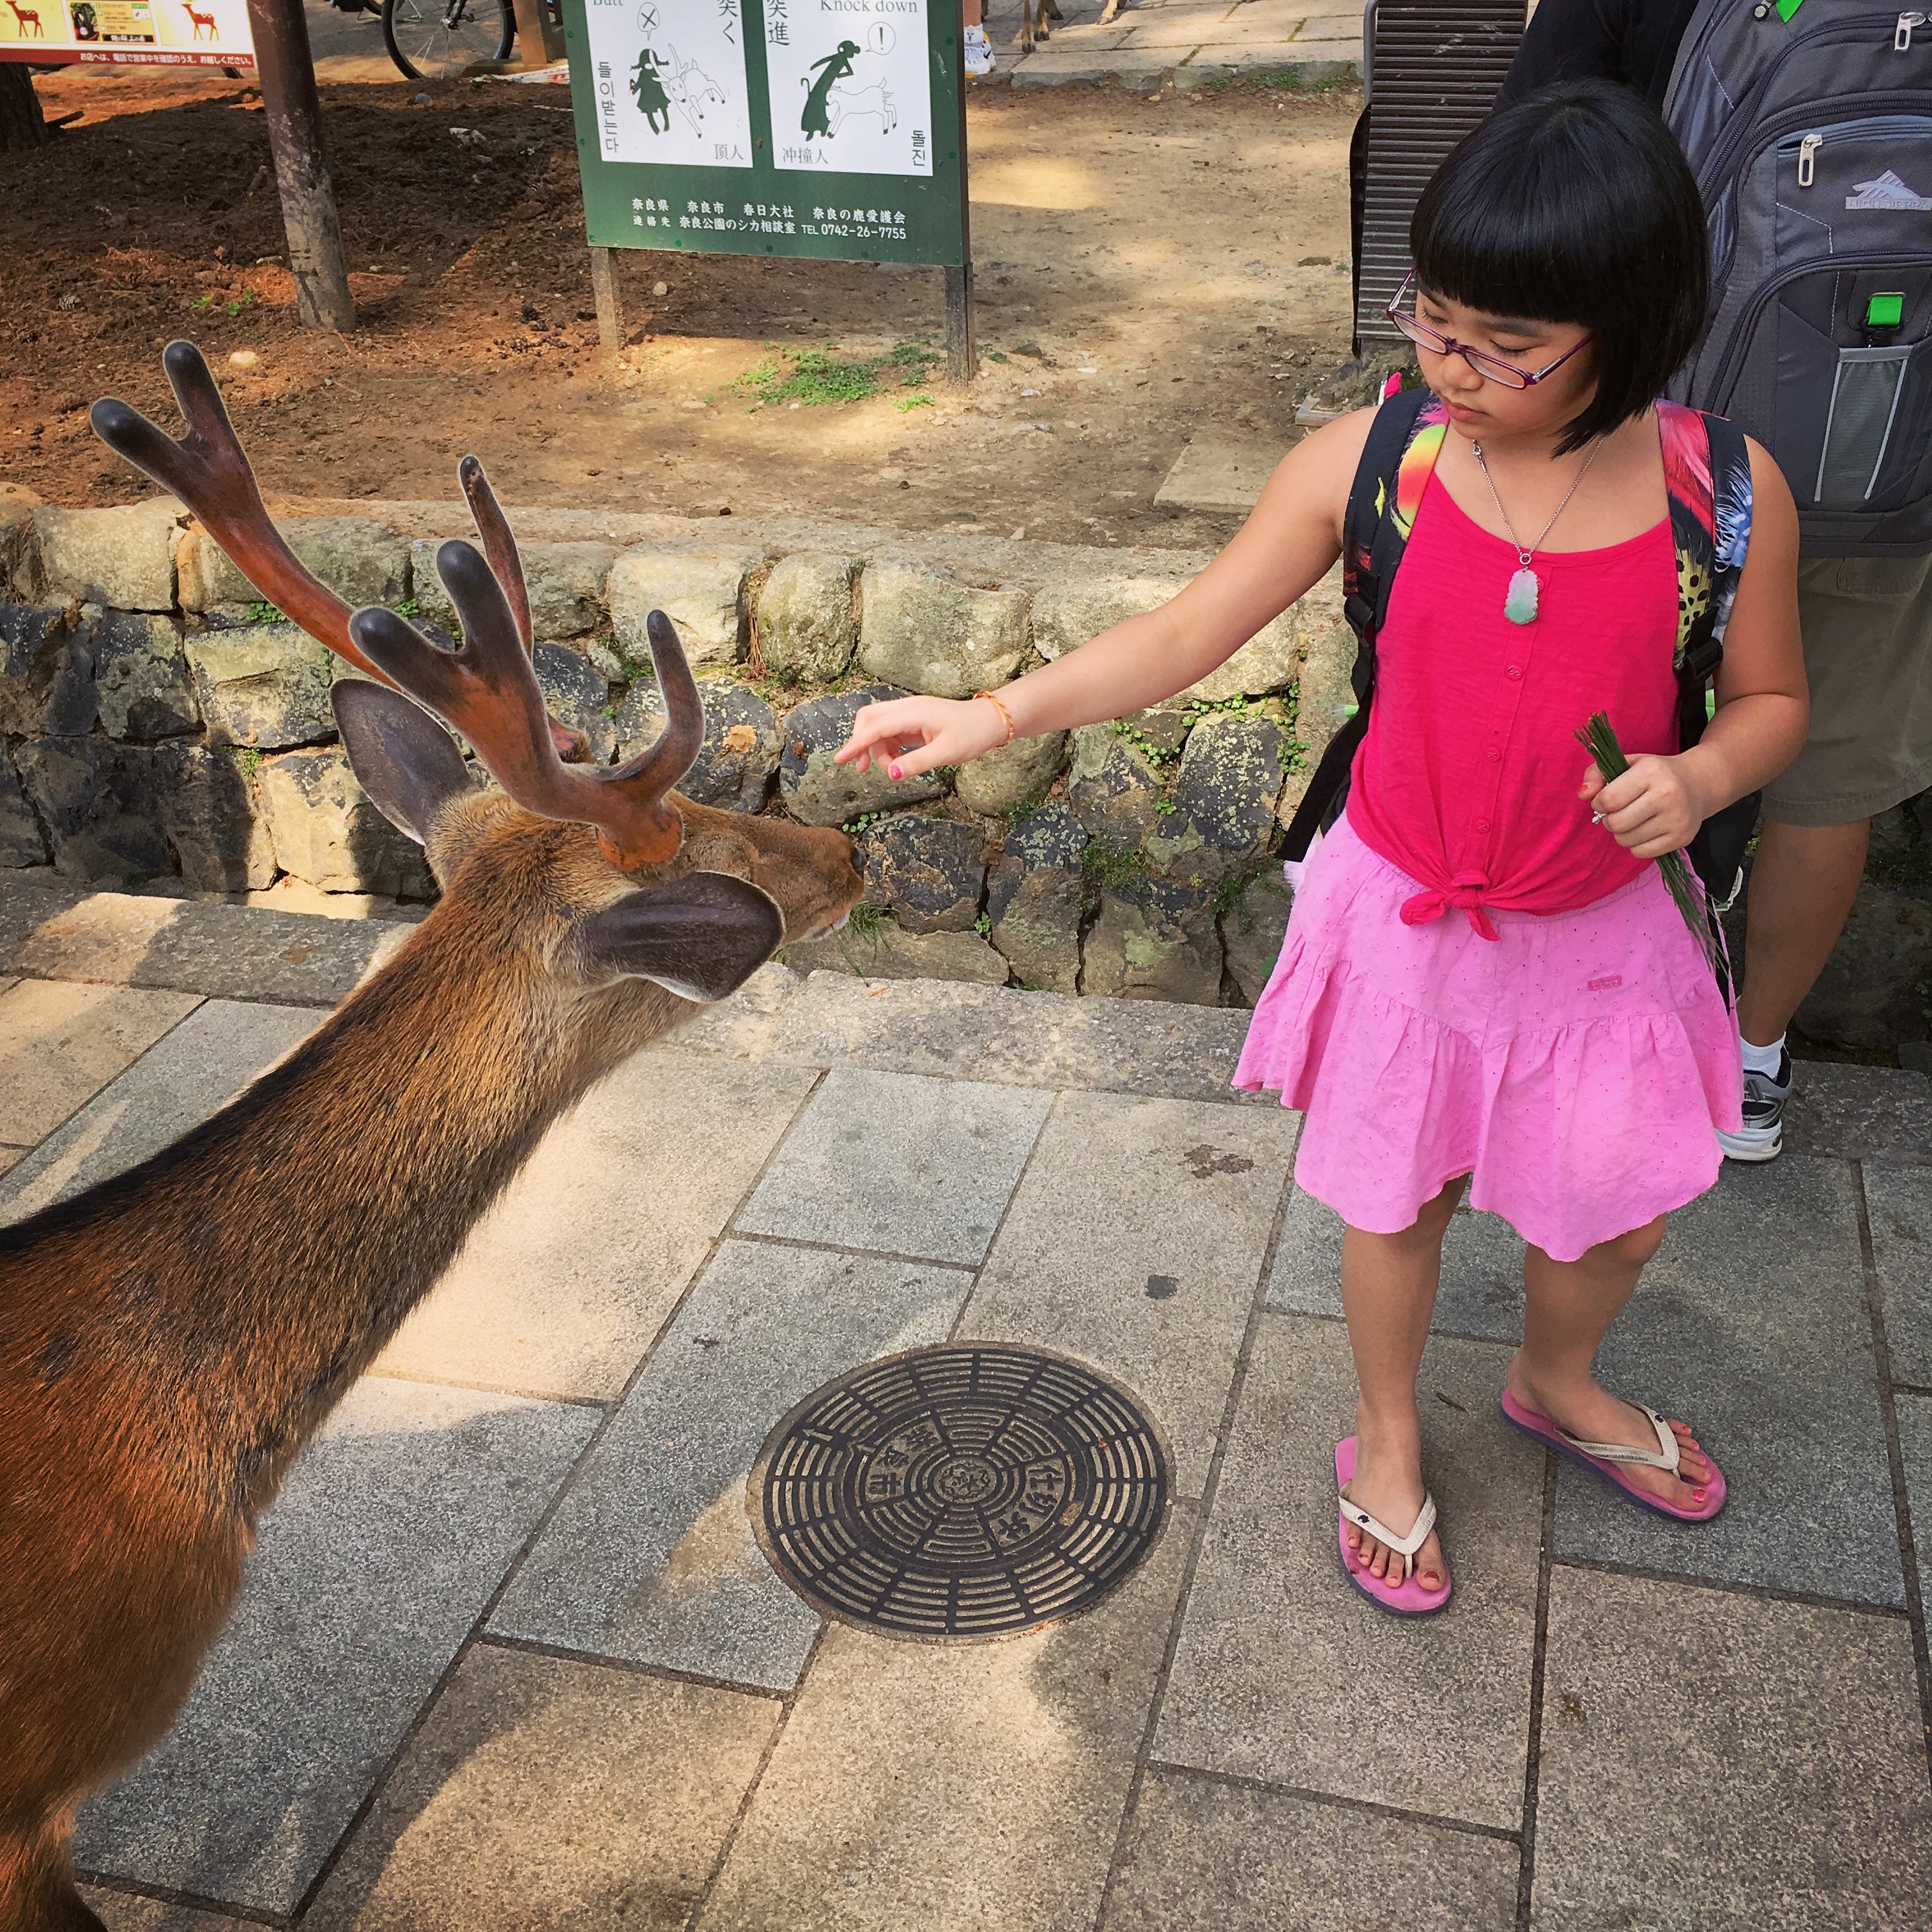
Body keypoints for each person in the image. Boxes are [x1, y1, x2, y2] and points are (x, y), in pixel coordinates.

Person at [834, 82, 1806, 1614]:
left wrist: (1702, 776)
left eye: (1505, 344)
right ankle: (1388, 1433)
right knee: (1396, 1201)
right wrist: (994, 709)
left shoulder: (1724, 497)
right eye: (1433, 321)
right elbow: (1186, 632)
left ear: (1629, 325)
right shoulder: (1382, 463)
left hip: (1601, 928)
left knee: (1624, 1214)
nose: (1450, 367)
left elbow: (1773, 702)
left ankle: (1556, 1379)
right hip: (1409, 911)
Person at [1499, 0, 1932, 1162]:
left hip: (1669, 449)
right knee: (1832, 773)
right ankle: (1750, 1059)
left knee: (1602, 735)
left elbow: (1536, 151)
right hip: (1887, 462)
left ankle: (1573, 1027)